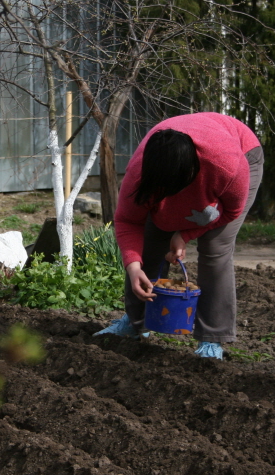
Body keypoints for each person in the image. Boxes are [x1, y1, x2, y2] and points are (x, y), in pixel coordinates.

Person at [96, 112, 264, 360]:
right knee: (151, 242)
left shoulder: (227, 167)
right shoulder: (141, 171)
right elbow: (129, 220)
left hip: (242, 151)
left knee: (215, 248)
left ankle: (212, 338)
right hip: (174, 164)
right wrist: (132, 266)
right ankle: (136, 323)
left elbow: (230, 211)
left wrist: (185, 234)